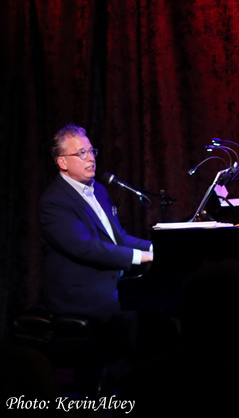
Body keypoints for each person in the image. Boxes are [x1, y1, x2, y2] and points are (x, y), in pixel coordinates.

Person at [39, 123, 153, 389]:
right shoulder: (54, 202)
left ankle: (145, 380)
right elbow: (85, 247)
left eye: (92, 151)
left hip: (107, 281)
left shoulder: (99, 190)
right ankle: (126, 385)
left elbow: (118, 238)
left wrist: (154, 247)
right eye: (82, 153)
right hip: (78, 291)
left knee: (157, 303)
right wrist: (140, 258)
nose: (91, 158)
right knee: (133, 310)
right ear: (62, 162)